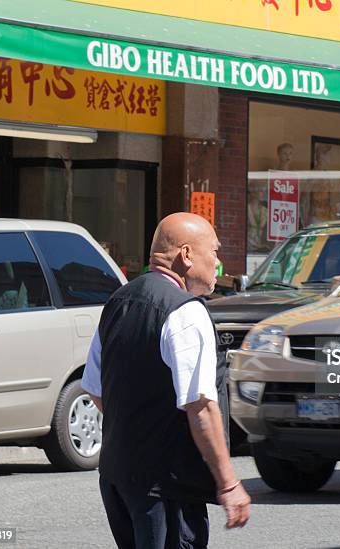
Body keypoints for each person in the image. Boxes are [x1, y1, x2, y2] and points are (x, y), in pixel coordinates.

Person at [81, 212, 251, 549]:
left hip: (118, 477)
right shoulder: (186, 312)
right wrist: (229, 483)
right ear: (186, 255)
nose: (219, 264)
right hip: (167, 484)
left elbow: (97, 390)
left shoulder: (119, 301)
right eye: (214, 252)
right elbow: (200, 407)